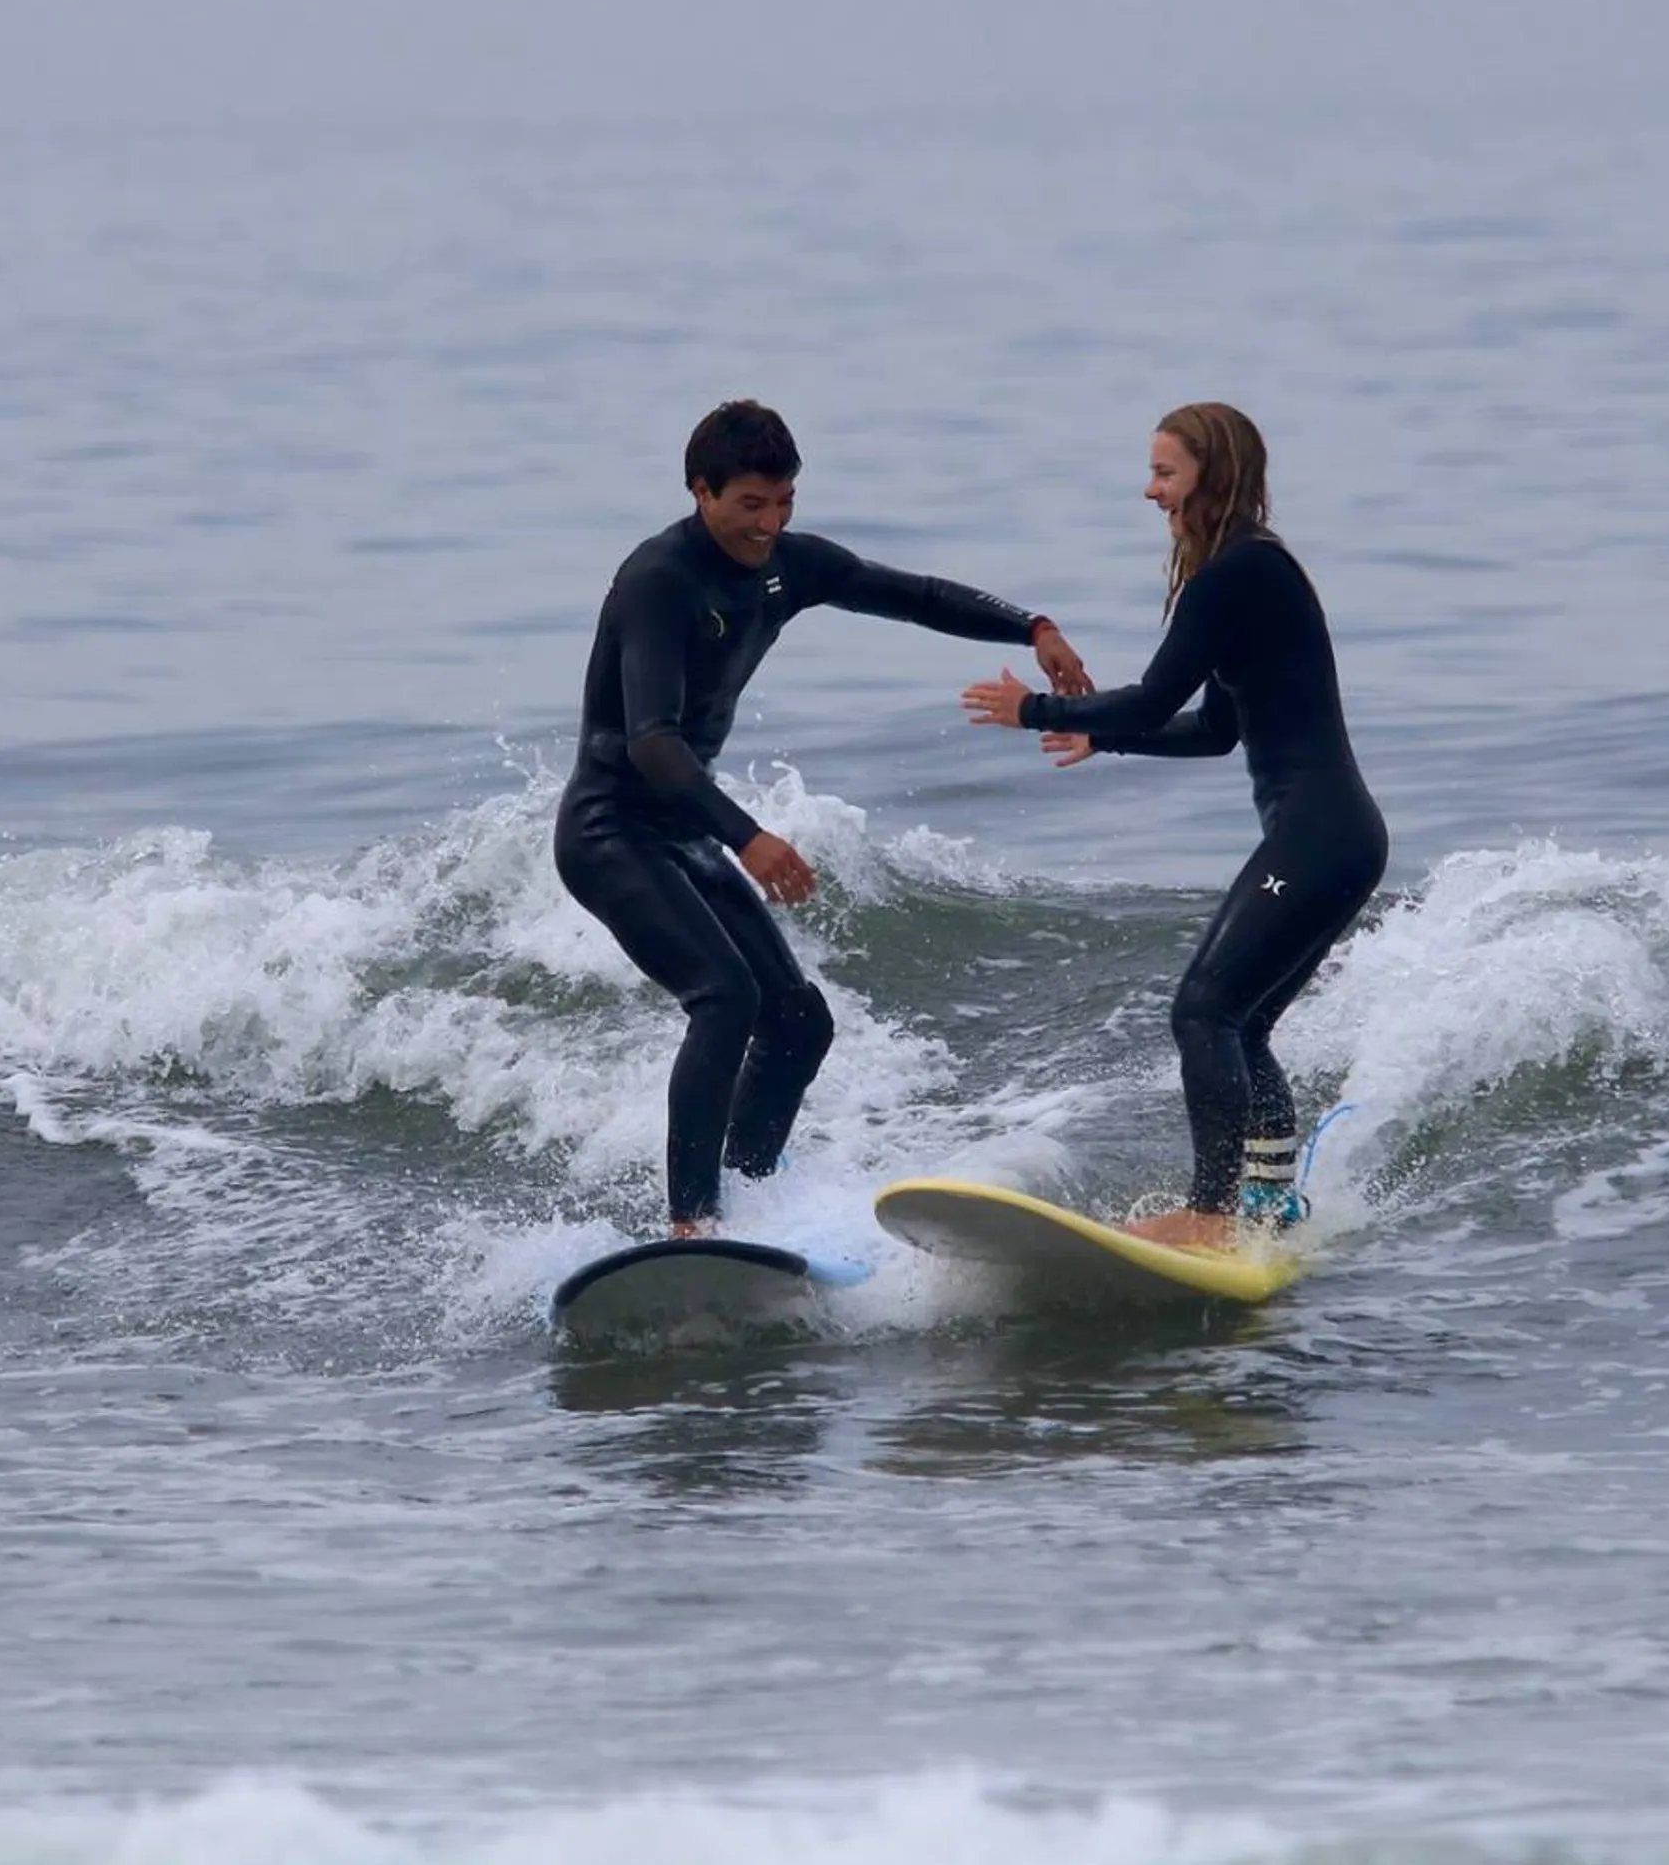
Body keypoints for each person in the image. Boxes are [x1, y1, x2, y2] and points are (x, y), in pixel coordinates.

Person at [562, 400, 1091, 1237]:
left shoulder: (786, 566)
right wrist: (751, 836)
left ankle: (743, 1201)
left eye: (785, 503)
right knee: (725, 998)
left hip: (681, 831)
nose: (769, 525)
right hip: (609, 830)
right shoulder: (658, 580)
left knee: (800, 1022)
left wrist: (1032, 624)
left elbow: (911, 595)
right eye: (750, 505)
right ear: (700, 490)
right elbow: (651, 744)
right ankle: (690, 1226)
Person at [960, 402, 1387, 1250]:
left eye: (1166, 474)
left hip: (1317, 837)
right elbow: (1213, 729)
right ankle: (1267, 1203)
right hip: (1337, 836)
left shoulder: (1233, 574)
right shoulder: (1252, 571)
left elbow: (1155, 699)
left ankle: (1209, 1214)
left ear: (1212, 477)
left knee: (1203, 1012)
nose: (1150, 490)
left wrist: (1036, 708)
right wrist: (1100, 736)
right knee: (1243, 1020)